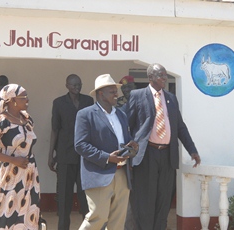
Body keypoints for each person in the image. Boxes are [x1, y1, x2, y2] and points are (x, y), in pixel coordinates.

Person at [126, 63, 201, 230]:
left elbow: (180, 127)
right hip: (146, 156)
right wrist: (128, 153)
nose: (165, 79)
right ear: (150, 77)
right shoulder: (137, 95)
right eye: (161, 75)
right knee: (145, 200)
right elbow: (127, 125)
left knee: (163, 201)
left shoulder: (170, 98)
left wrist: (192, 150)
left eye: (165, 75)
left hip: (167, 156)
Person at [74, 74, 138, 230]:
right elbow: (80, 145)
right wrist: (107, 158)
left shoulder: (121, 115)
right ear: (100, 93)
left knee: (118, 221)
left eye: (116, 91)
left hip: (122, 174)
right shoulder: (86, 114)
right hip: (99, 173)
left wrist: (132, 148)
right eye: (112, 91)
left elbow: (125, 139)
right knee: (98, 217)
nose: (116, 94)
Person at [48, 74, 93, 230]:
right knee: (64, 199)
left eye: (79, 84)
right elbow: (55, 129)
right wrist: (51, 156)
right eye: (73, 85)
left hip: (84, 158)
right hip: (64, 156)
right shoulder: (59, 103)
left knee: (86, 199)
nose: (77, 87)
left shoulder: (88, 101)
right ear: (67, 85)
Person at [0, 84, 40, 229]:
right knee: (7, 211)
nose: (27, 100)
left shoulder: (28, 120)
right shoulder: (2, 121)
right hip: (10, 174)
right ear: (12, 101)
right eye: (24, 97)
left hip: (29, 175)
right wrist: (13, 160)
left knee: (28, 212)